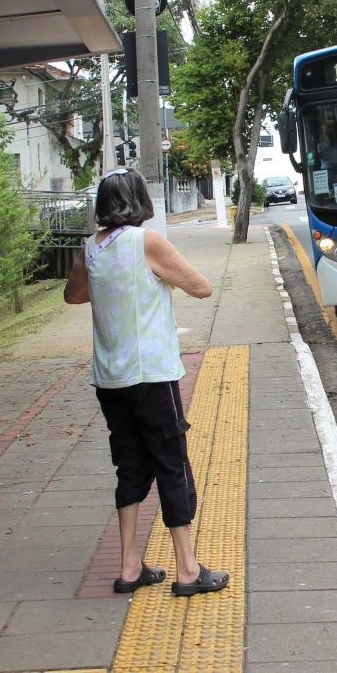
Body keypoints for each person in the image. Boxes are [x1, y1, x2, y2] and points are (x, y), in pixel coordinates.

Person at [63, 167, 230, 598]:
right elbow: (202, 288)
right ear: (140, 201)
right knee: (171, 464)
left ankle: (128, 566)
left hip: (110, 379)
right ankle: (188, 571)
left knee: (130, 466)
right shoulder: (147, 241)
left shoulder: (91, 248)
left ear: (102, 204)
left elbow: (74, 295)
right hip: (152, 376)